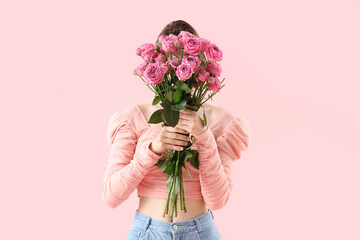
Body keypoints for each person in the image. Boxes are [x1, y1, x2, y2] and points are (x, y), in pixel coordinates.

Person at [102, 20, 251, 240]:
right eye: (168, 64)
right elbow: (111, 196)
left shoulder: (223, 122)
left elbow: (218, 200)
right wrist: (152, 149)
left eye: (187, 62)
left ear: (199, 64)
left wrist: (203, 136)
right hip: (147, 232)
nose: (176, 73)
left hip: (201, 232)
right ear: (155, 66)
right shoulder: (131, 120)